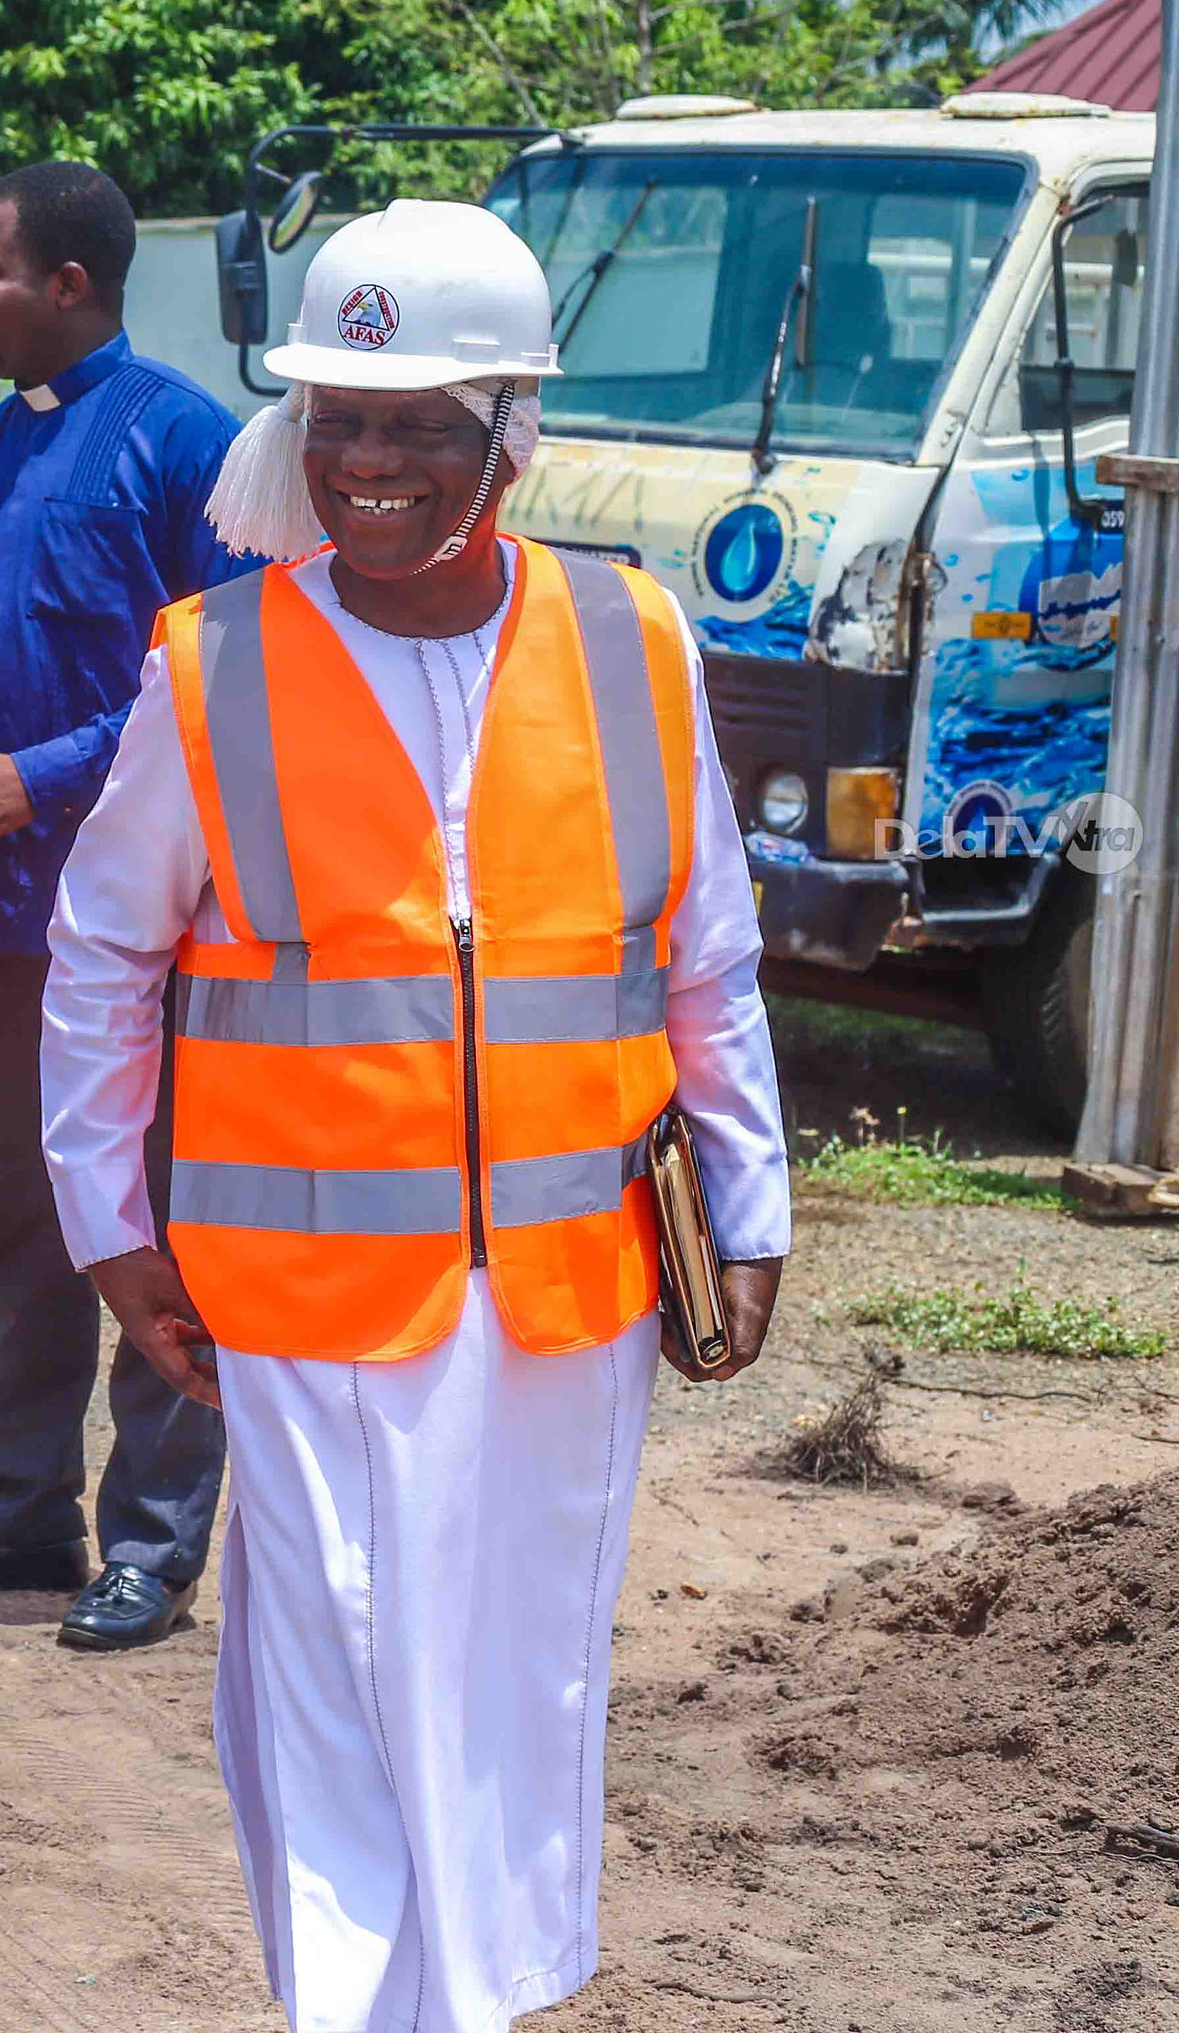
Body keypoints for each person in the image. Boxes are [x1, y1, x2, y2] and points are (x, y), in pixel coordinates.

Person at [43, 199, 791, 2032]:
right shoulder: (212, 663)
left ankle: (481, 2000)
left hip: (568, 1290)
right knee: (337, 1672)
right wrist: (111, 1231)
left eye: (418, 427)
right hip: (301, 1296)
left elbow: (705, 955)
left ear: (509, 432)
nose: (369, 464)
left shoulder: (635, 639)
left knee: (523, 1672)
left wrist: (750, 1206)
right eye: (341, 422)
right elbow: (102, 959)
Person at [0, 162, 239, 1652]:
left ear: (69, 284)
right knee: (19, 1224)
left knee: (149, 1217)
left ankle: (153, 1541)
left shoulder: (186, 443)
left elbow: (223, 685)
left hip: (146, 921)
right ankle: (26, 1511)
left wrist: (41, 776)